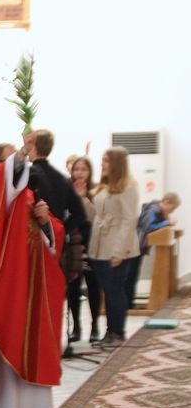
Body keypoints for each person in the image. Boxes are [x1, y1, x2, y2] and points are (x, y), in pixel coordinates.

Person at [0, 145, 66, 408]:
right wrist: (19, 157)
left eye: (21, 157)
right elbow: (1, 196)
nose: (20, 161)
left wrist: (45, 221)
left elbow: (50, 238)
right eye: (11, 158)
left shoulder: (27, 196)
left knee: (25, 353)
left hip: (27, 290)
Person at [85, 146, 140, 349]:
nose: (102, 163)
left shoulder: (129, 186)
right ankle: (110, 331)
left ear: (116, 163)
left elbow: (129, 220)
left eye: (106, 160)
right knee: (107, 291)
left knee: (115, 290)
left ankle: (118, 332)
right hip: (100, 246)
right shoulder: (105, 185)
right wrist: (83, 197)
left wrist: (119, 251)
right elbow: (97, 213)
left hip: (117, 247)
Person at [68, 156, 101, 343]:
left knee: (93, 285)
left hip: (91, 243)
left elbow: (95, 218)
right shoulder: (66, 189)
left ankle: (95, 326)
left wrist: (82, 198)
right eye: (76, 169)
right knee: (73, 286)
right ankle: (76, 327)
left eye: (83, 169)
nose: (79, 173)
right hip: (73, 244)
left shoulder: (96, 191)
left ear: (89, 172)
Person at [131, 191, 181, 309]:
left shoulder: (158, 211)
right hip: (135, 246)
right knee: (131, 276)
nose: (172, 211)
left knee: (133, 275)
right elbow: (148, 227)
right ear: (166, 202)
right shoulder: (152, 210)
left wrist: (166, 219)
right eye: (172, 208)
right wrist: (167, 222)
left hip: (139, 247)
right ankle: (127, 304)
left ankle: (129, 303)